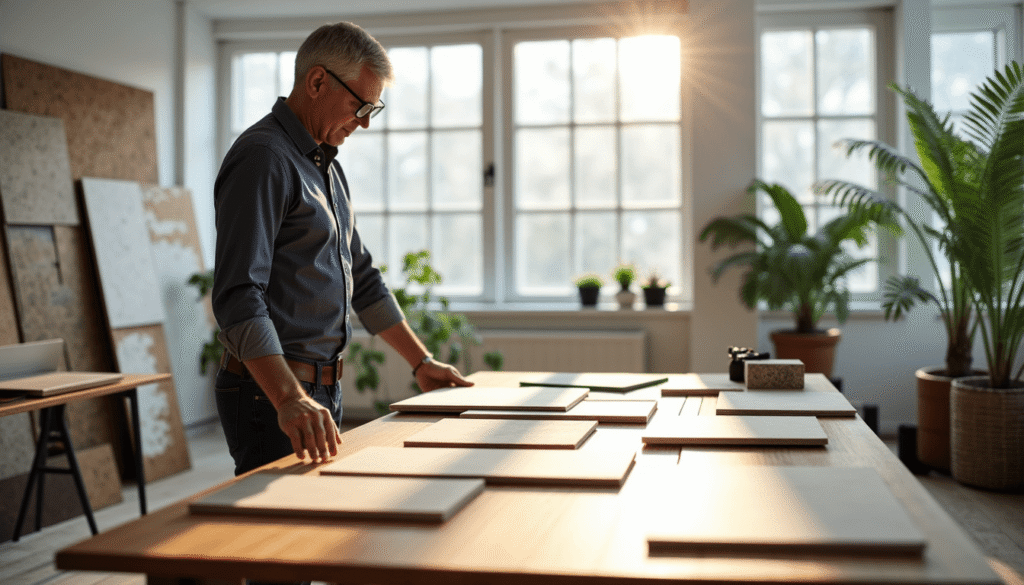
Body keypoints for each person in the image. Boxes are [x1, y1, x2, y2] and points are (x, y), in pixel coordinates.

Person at [212, 21, 472, 477]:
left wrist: (421, 362)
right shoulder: (264, 157)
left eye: (375, 108)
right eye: (361, 105)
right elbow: (238, 293)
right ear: (317, 81)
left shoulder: (324, 166)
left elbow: (364, 278)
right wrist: (290, 397)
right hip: (271, 391)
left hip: (320, 389)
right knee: (275, 535)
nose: (366, 121)